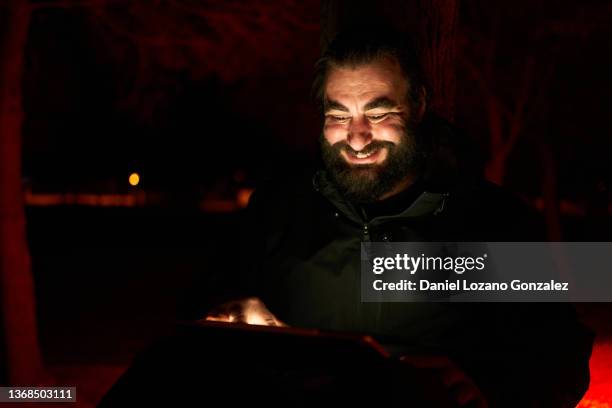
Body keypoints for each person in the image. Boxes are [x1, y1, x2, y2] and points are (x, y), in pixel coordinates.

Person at [201, 26, 594, 407]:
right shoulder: (277, 210)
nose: (356, 138)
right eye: (338, 116)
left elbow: (561, 362)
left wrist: (490, 390)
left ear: (419, 105)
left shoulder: (496, 221)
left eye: (378, 113)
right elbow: (200, 323)